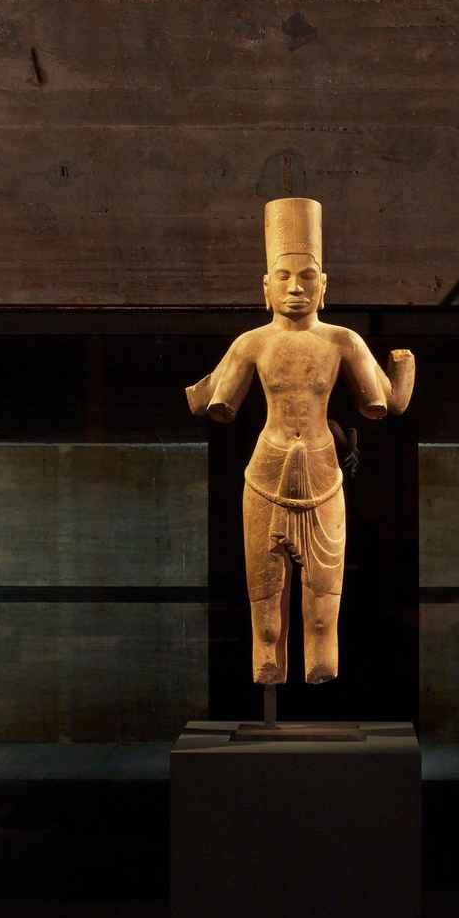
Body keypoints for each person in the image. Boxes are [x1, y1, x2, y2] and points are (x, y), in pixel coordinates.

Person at [186, 199, 415, 684]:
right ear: (265, 288)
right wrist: (207, 388)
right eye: (283, 277)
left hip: (322, 475)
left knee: (323, 615)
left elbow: (385, 403)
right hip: (265, 475)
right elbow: (216, 403)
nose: (295, 287)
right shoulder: (252, 342)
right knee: (266, 615)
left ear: (324, 286)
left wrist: (402, 370)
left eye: (307, 277)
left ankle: (319, 666)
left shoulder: (342, 341)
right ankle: (268, 666)